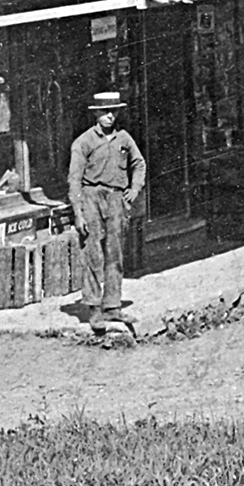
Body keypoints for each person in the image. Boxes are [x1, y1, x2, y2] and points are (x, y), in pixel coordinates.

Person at [66, 90, 144, 323]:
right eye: (105, 112)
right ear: (96, 114)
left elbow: (139, 163)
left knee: (114, 253)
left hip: (115, 199)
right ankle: (93, 307)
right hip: (91, 197)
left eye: (114, 111)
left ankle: (112, 306)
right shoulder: (84, 142)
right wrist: (78, 213)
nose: (110, 116)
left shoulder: (124, 138)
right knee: (91, 252)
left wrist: (134, 189)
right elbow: (74, 179)